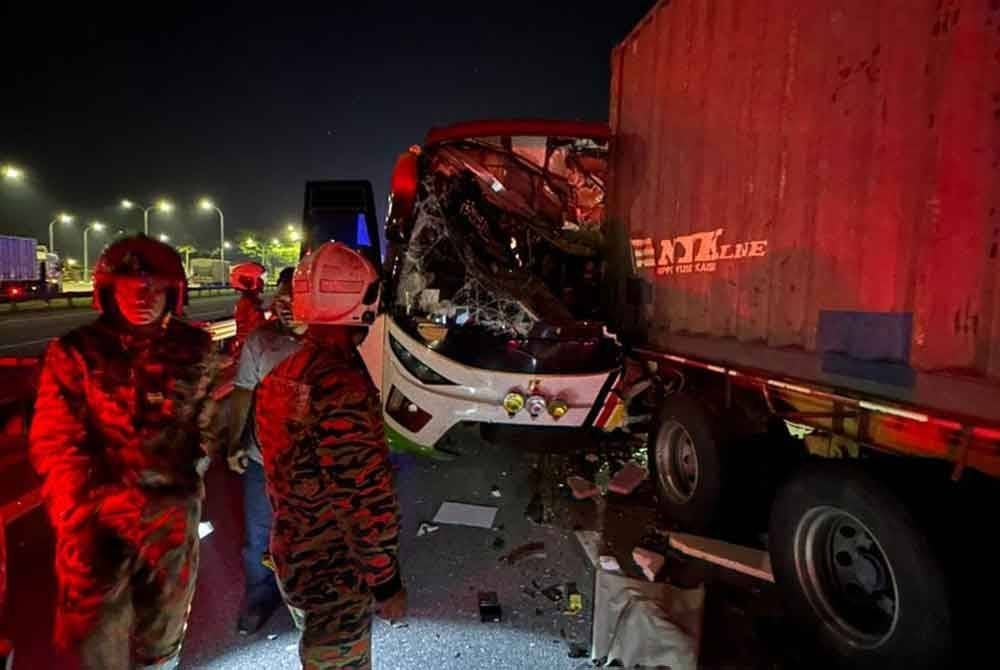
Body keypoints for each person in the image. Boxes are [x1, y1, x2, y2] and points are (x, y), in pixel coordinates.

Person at [28, 235, 221, 669]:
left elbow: (206, 426)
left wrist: (188, 484)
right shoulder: (75, 354)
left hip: (170, 521)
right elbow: (56, 444)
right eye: (130, 288)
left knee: (164, 639)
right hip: (97, 523)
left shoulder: (196, 350)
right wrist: (81, 513)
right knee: (99, 642)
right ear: (108, 291)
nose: (143, 298)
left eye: (154, 289)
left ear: (173, 292)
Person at [255, 242, 405, 669]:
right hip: (334, 573)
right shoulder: (341, 387)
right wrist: (385, 580)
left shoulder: (284, 375)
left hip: (294, 558)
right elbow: (361, 499)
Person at [227, 267, 304, 634]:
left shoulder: (340, 342)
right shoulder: (261, 340)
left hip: (315, 467)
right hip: (264, 461)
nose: (288, 305)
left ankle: (313, 599)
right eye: (283, 297)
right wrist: (234, 441)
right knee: (259, 534)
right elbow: (243, 391)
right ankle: (260, 595)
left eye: (297, 297)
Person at [230, 261, 267, 354]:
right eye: (259, 278)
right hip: (252, 348)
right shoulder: (248, 303)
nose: (262, 282)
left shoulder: (249, 302)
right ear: (248, 281)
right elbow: (257, 327)